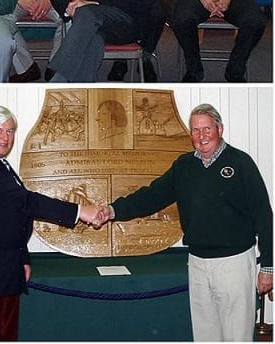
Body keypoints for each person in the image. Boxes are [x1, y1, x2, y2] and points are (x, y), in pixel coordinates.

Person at [96, 103, 273, 341]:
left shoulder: (241, 163)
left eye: (207, 129)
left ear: (220, 129)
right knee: (205, 336)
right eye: (196, 130)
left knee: (236, 336)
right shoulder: (183, 166)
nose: (201, 136)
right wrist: (112, 210)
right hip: (197, 263)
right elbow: (151, 197)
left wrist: (269, 268)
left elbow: (264, 216)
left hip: (234, 264)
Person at [0, 105, 102, 341]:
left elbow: (8, 215)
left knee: (5, 336)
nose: (5, 137)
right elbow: (24, 202)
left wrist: (22, 258)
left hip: (4, 270)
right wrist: (80, 211)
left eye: (10, 131)